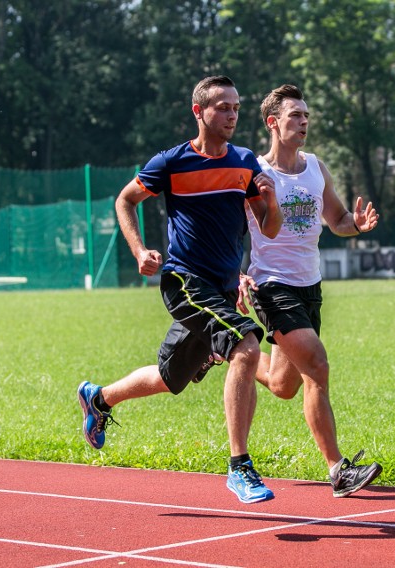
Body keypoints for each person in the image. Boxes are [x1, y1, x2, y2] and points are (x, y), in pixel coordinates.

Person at [77, 75, 283, 504]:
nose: (231, 115)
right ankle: (239, 467)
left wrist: (272, 199)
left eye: (236, 108)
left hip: (223, 290)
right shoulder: (171, 162)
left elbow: (269, 227)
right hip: (184, 282)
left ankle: (99, 399)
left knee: (172, 378)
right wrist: (139, 250)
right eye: (222, 107)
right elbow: (125, 200)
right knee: (245, 346)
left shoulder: (246, 162)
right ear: (199, 112)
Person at [238, 84, 381, 498]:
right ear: (273, 123)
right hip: (271, 285)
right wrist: (237, 273)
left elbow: (335, 219)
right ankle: (339, 470)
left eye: (306, 116)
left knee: (284, 385)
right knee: (317, 365)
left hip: (310, 287)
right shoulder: (256, 173)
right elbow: (233, 229)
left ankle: (228, 353)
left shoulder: (316, 168)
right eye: (295, 116)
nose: (303, 122)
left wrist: (356, 225)